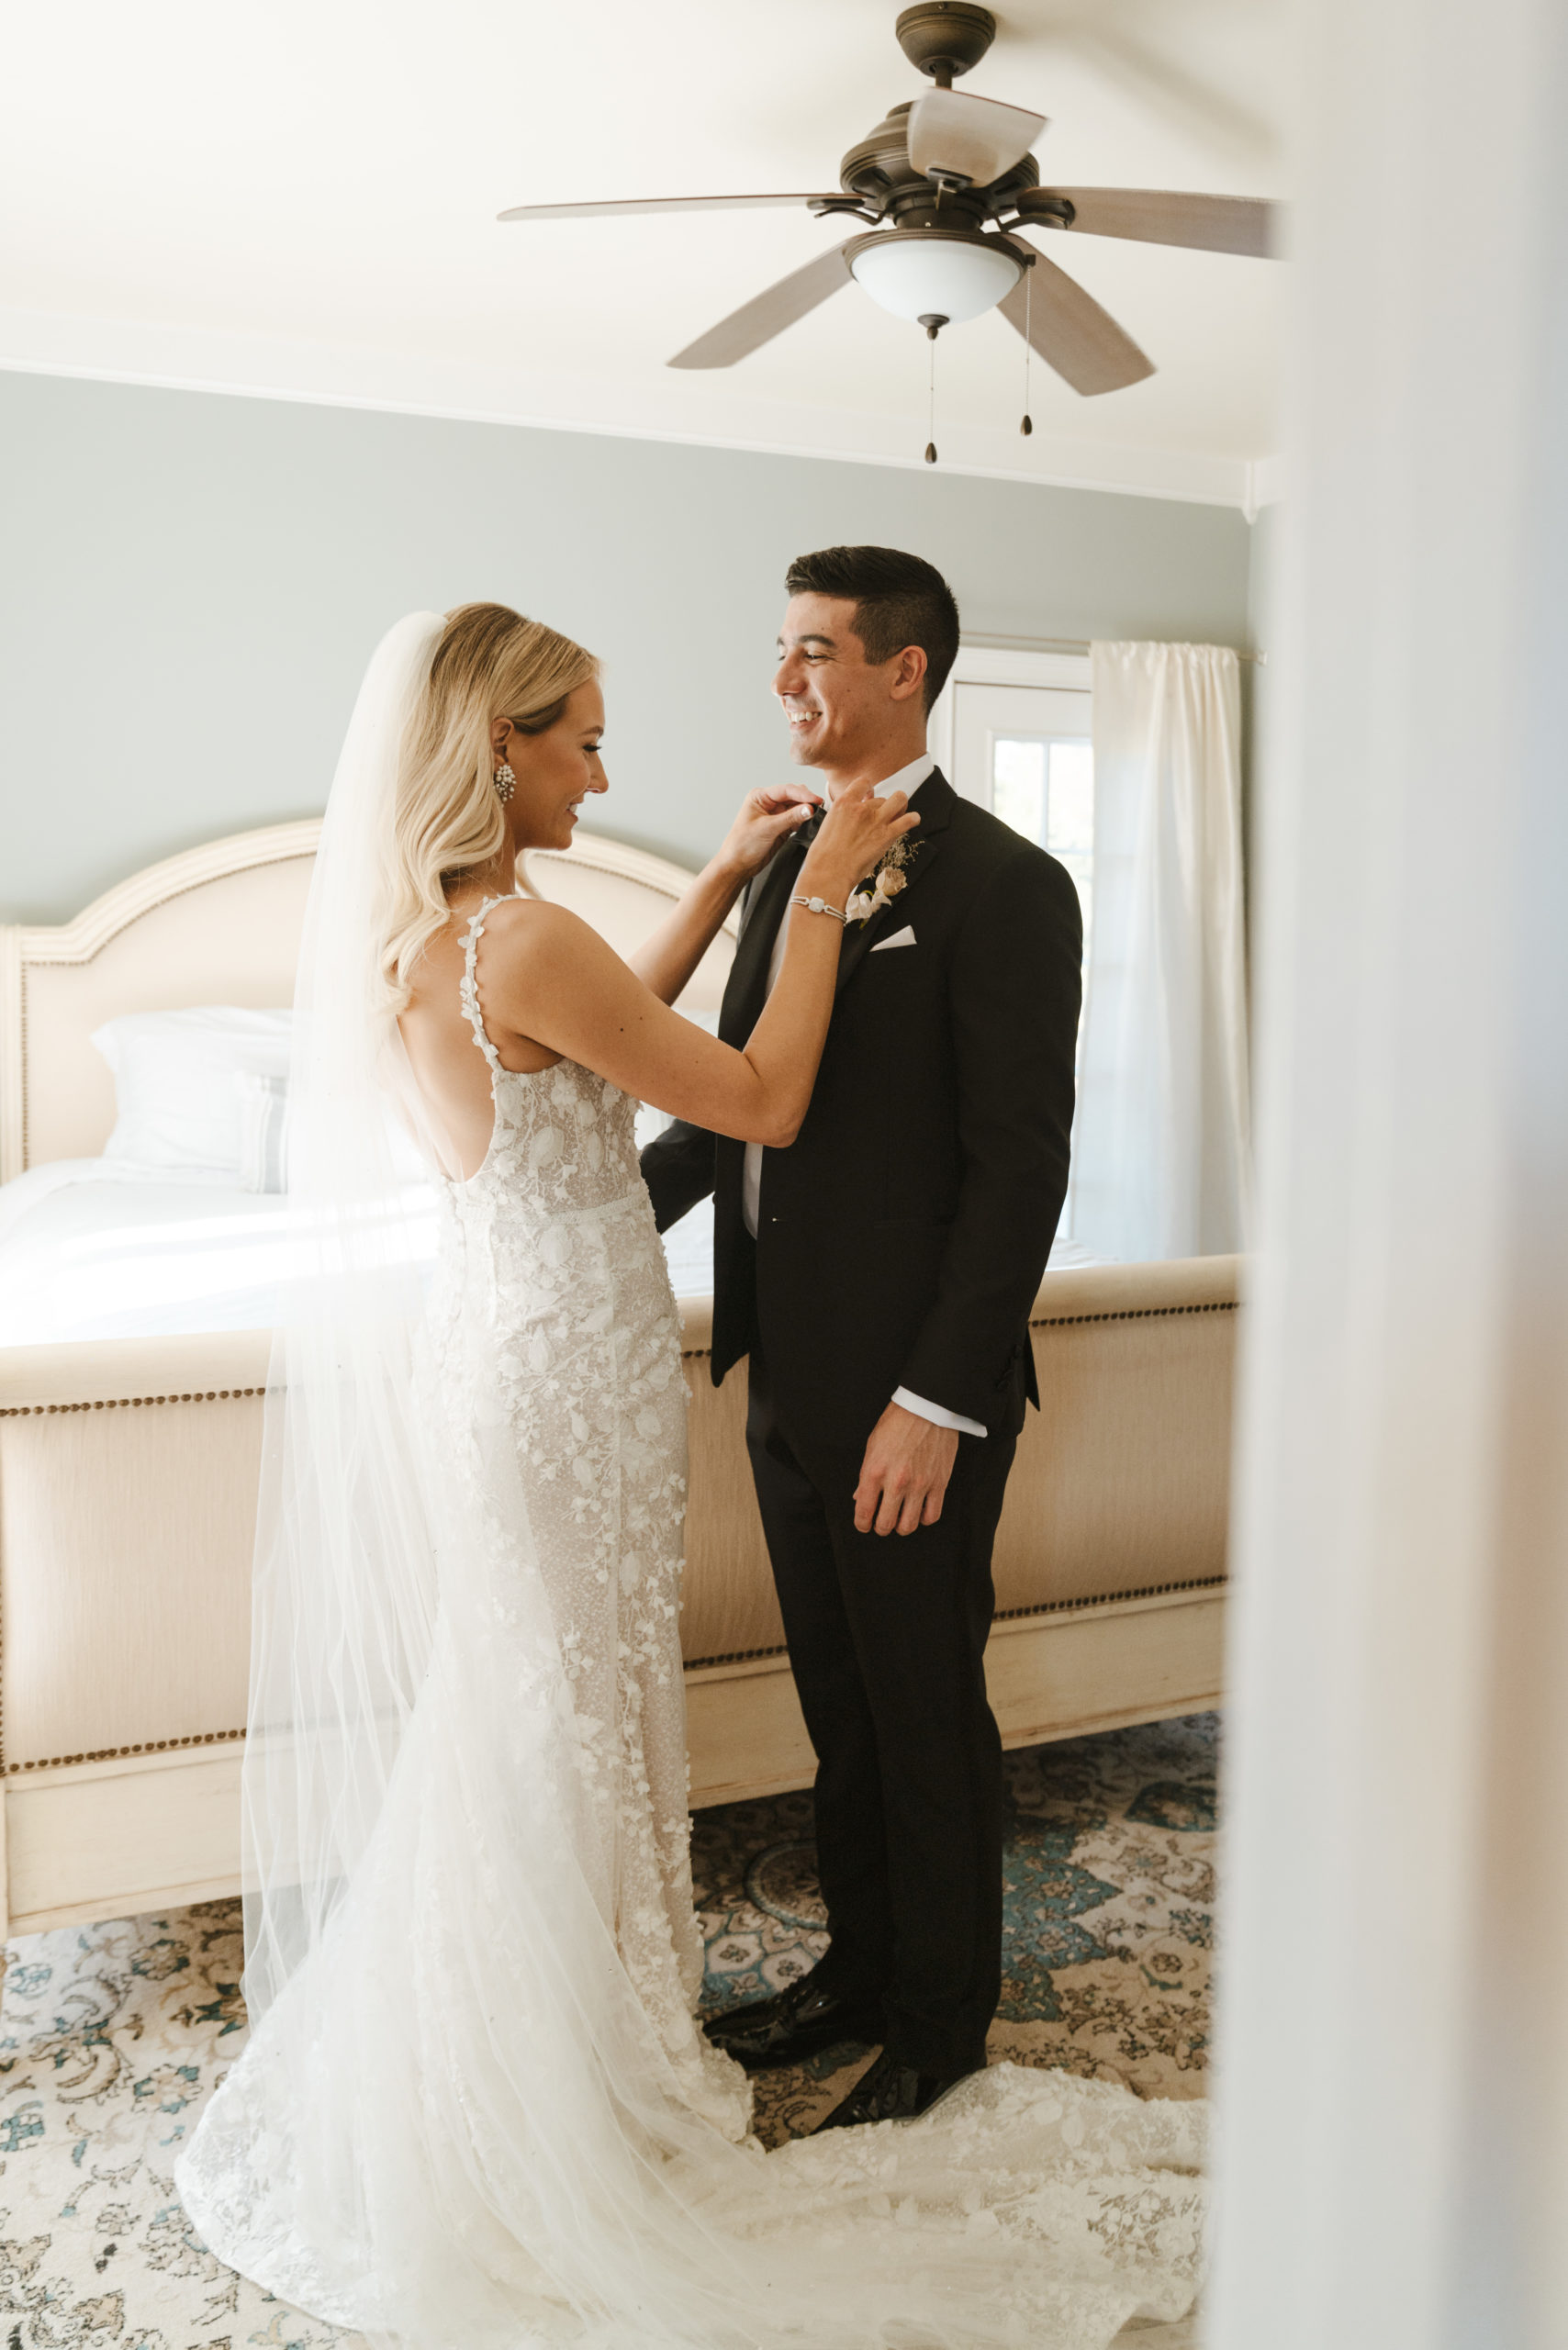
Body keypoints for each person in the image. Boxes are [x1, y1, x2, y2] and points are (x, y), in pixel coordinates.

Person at [175, 602, 1205, 2349]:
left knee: (533, 1706)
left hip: (515, 1355)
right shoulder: (529, 937)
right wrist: (803, 898)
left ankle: (580, 2032)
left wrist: (727, 884)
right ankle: (563, 2075)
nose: (603, 764)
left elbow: (601, 1042)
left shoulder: (451, 935)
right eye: (579, 737)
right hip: (560, 1379)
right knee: (557, 1709)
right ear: (496, 749)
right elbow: (755, 1100)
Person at [642, 546, 1083, 2129]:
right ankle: (856, 1967)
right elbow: (736, 1098)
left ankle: (941, 2022)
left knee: (921, 1702)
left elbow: (1022, 1164)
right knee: (838, 1700)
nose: (784, 681)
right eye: (781, 648)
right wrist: (592, 1220)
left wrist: (936, 1400)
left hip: (911, 1397)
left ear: (905, 670)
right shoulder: (785, 865)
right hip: (784, 1381)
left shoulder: (1010, 883)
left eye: (815, 650)